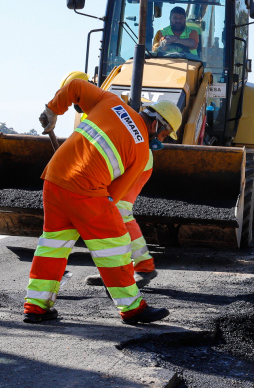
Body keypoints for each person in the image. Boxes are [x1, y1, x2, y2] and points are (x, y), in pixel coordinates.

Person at [23, 72, 182, 325]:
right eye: (163, 135)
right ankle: (131, 308)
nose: (160, 141)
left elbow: (74, 85)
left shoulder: (111, 102)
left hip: (53, 180)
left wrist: (52, 111)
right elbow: (114, 196)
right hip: (85, 193)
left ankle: (36, 307)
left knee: (53, 246)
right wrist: (97, 221)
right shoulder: (142, 153)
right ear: (156, 125)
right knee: (116, 244)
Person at [85, 148, 158, 289]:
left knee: (119, 210)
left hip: (134, 159)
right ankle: (112, 271)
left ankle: (144, 266)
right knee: (104, 213)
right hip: (114, 160)